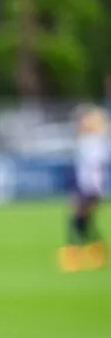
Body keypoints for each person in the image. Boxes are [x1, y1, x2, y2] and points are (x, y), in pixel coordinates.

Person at [62, 106, 109, 271]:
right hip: (82, 184)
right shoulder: (85, 140)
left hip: (90, 186)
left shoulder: (97, 142)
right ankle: (93, 253)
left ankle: (75, 255)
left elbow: (94, 166)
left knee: (78, 220)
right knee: (82, 221)